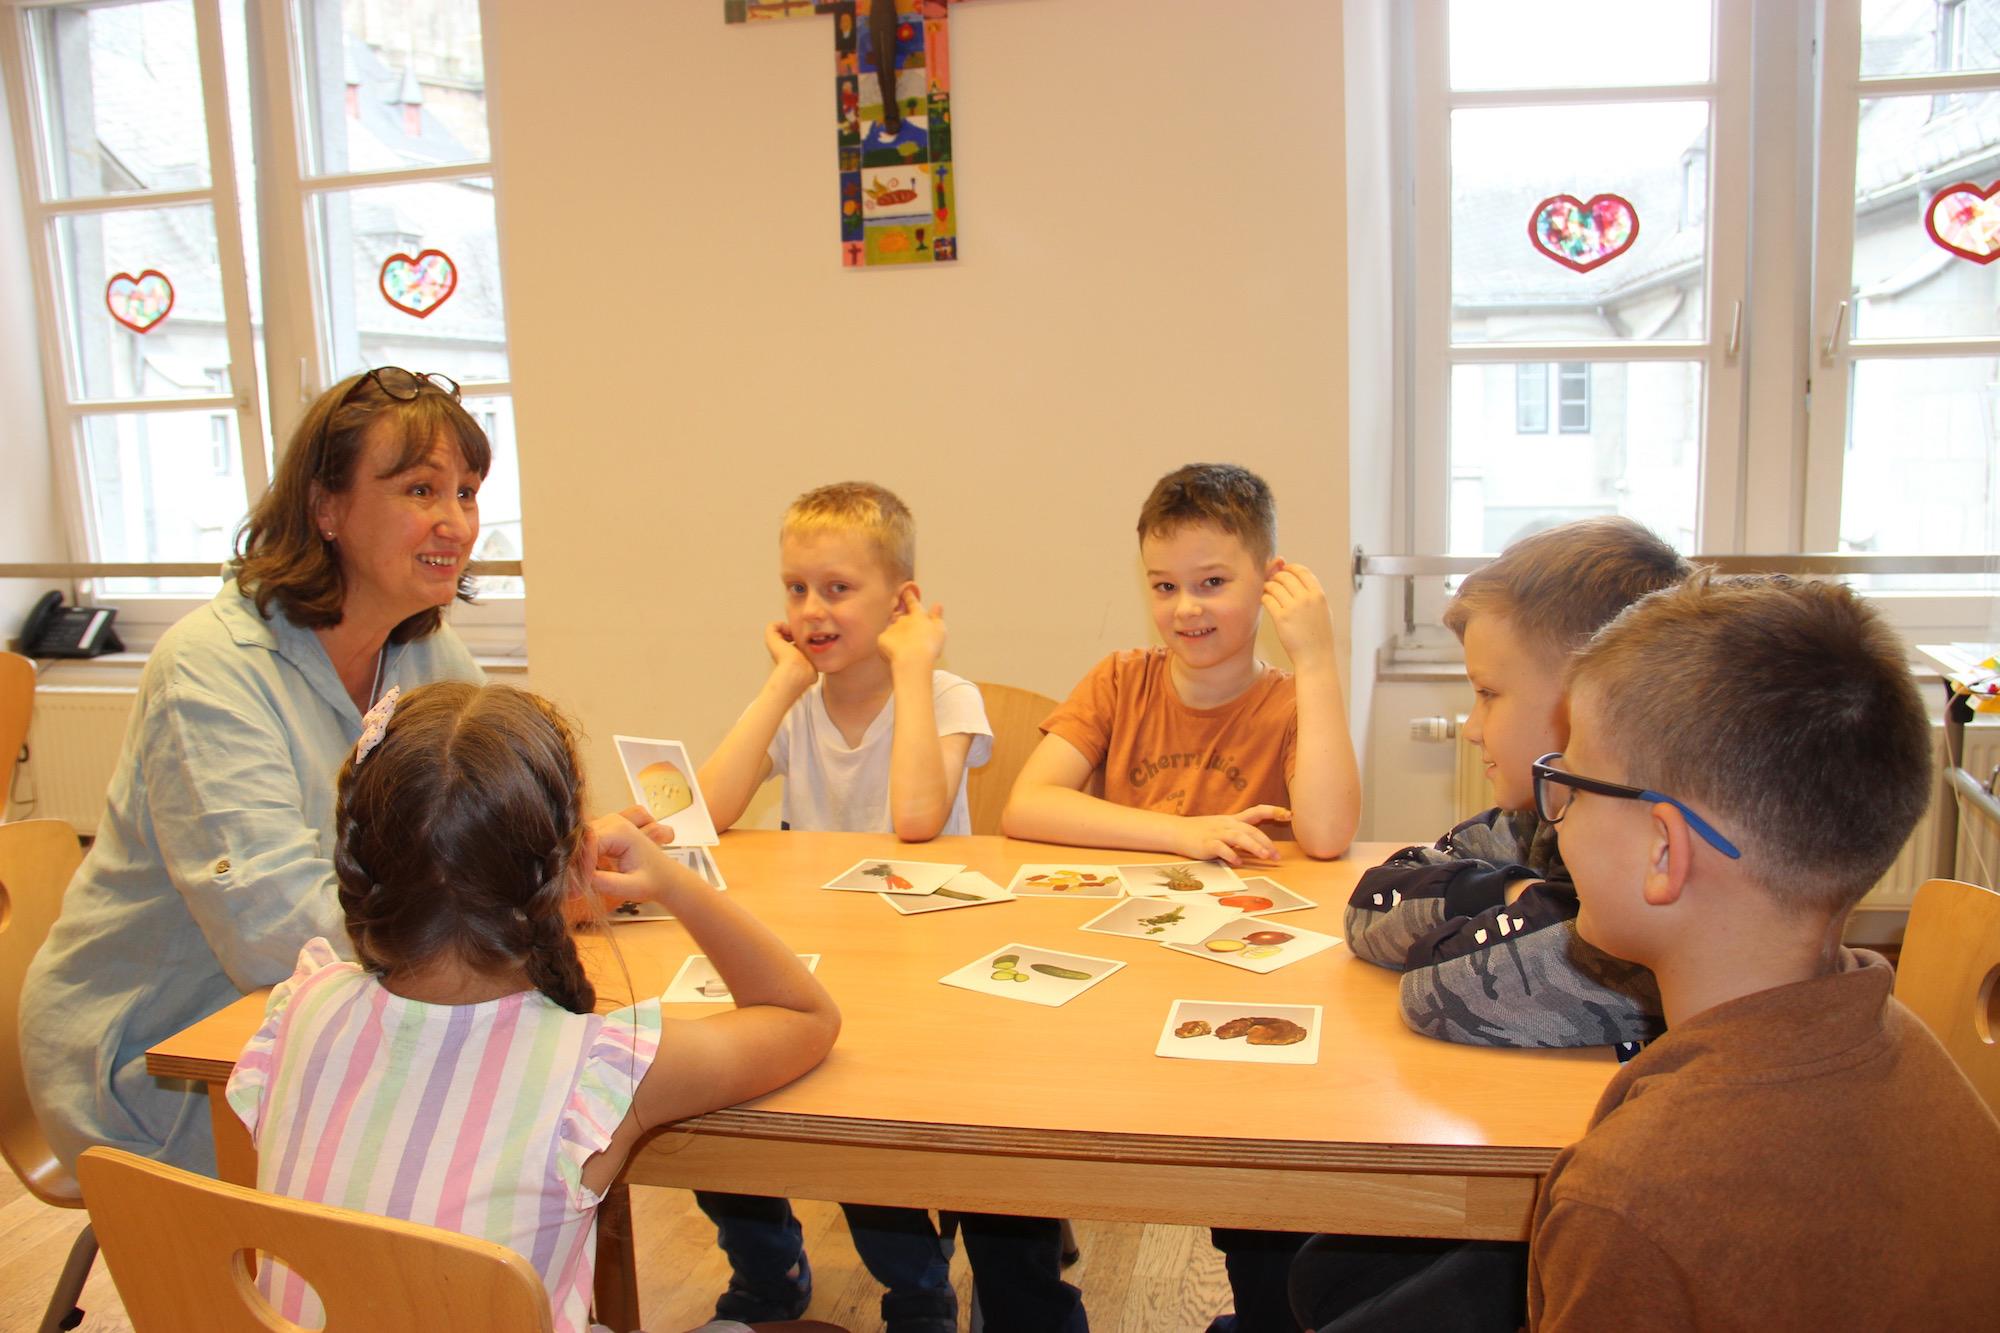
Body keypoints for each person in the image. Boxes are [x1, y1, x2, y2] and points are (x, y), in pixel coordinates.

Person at [224, 681, 841, 1333]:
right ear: (567, 865)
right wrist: (672, 880)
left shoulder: (306, 1009)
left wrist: (544, 893)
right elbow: (804, 1015)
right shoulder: (597, 1067)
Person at [22, 368, 492, 1175]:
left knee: (515, 1114)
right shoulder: (208, 669)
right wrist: (499, 937)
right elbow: (272, 931)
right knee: (496, 1133)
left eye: (469, 492)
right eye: (422, 489)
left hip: (330, 1022)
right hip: (163, 1063)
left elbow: (497, 818)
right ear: (326, 508)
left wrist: (567, 853)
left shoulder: (424, 650)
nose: (456, 521)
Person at [1528, 573, 2000, 1327]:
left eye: (1573, 783)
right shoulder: (1911, 1049)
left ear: (1664, 851)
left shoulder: (1631, 1199)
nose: (1556, 818)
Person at [699, 483, 1077, 1333]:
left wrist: (913, 666)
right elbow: (708, 812)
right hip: (814, 963)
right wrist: (780, 685)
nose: (811, 610)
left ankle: (918, 1286)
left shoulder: (945, 697)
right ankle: (768, 1268)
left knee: (859, 1126)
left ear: (902, 600)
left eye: (836, 589)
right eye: (796, 589)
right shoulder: (798, 701)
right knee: (710, 1084)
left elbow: (914, 820)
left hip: (921, 968)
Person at [1002, 463, 1361, 1333]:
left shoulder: (1284, 700)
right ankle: (1025, 1308)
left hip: (1229, 988)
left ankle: (1264, 1313)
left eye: (1212, 583)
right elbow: (1026, 804)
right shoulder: (1121, 679)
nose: (1187, 609)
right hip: (1110, 973)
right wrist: (1184, 832)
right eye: (1165, 586)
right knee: (1004, 1115)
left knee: (1258, 1162)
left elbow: (1325, 834)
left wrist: (1314, 658)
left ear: (1269, 579)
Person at [1344, 517, 1689, 1050]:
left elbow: (1433, 991)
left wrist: (1501, 901)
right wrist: (1507, 892)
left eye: (1488, 693)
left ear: (1582, 704)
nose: (1473, 729)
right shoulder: (1540, 818)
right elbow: (1369, 906)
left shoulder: (1641, 913)